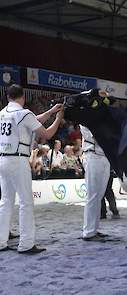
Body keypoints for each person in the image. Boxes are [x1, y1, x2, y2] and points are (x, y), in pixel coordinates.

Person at [0, 84, 63, 254]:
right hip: (18, 160)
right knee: (26, 202)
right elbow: (47, 134)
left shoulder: (3, 113)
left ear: (8, 97)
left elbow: (32, 120)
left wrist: (50, 112)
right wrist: (58, 119)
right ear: (23, 97)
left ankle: (1, 241)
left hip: (3, 159)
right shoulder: (24, 113)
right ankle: (26, 244)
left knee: (5, 202)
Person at [80, 124, 111, 240]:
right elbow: (97, 137)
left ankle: (93, 229)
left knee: (99, 195)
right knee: (93, 195)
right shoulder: (85, 121)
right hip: (93, 156)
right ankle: (88, 232)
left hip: (104, 156)